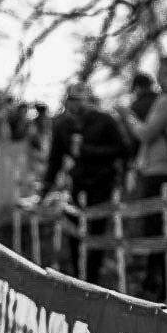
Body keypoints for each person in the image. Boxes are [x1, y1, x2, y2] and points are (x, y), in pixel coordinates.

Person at [39, 82, 134, 283]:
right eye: (70, 100)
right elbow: (54, 161)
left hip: (102, 181)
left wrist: (91, 151)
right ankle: (77, 274)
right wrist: (45, 190)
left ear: (88, 99)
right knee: (73, 229)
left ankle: (92, 277)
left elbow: (124, 149)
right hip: (77, 182)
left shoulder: (106, 119)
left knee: (96, 230)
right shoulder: (63, 125)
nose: (74, 105)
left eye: (79, 100)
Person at [119, 54, 167, 299]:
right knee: (164, 226)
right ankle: (159, 278)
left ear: (166, 72)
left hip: (159, 171)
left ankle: (156, 283)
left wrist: (128, 118)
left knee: (156, 228)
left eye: (159, 70)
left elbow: (146, 134)